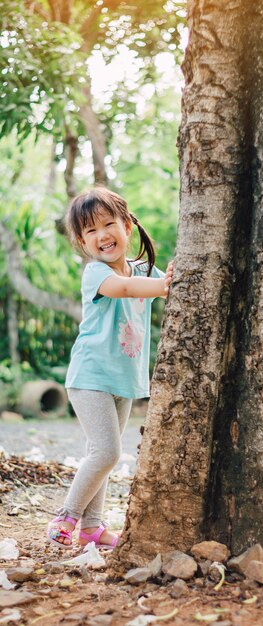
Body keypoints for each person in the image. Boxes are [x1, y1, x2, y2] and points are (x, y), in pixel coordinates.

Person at [46, 187, 173, 550]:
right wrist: (163, 285)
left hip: (123, 380)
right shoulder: (96, 273)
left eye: (108, 224)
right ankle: (66, 515)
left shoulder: (145, 269)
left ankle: (92, 527)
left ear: (127, 226)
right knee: (106, 452)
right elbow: (126, 287)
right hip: (91, 377)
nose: (102, 235)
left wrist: (172, 277)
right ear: (82, 243)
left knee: (100, 454)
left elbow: (157, 282)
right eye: (90, 231)